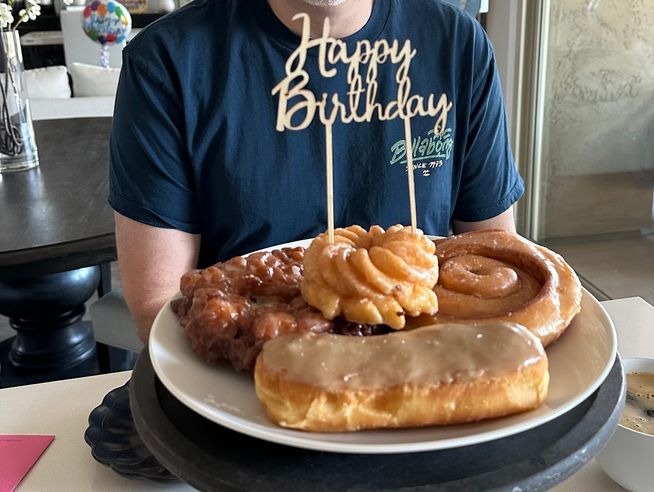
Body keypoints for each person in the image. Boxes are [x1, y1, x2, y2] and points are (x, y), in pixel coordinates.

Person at [110, 0, 523, 343]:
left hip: (432, 362)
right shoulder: (167, 61)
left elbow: (499, 264)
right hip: (244, 377)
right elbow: (159, 307)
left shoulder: (458, 45)